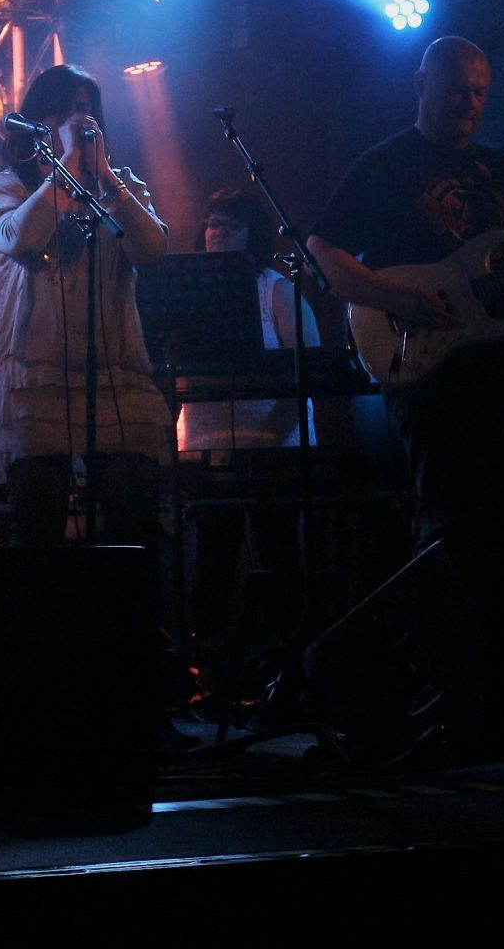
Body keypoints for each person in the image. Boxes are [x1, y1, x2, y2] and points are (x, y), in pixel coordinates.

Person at [306, 36, 504, 755]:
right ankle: (445, 702)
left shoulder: (502, 171)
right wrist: (397, 298)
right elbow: (324, 251)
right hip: (434, 376)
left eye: (479, 92)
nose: (468, 103)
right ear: (421, 84)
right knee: (452, 531)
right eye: (455, 89)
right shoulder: (385, 164)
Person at [0, 64, 172, 549]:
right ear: (36, 120)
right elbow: (18, 238)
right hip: (35, 383)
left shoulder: (120, 187)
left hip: (115, 382)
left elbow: (151, 250)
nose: (74, 119)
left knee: (133, 533)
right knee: (39, 537)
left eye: (83, 109)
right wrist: (65, 170)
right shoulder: (5, 186)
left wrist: (102, 175)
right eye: (61, 109)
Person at [176, 189, 322, 691]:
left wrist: (278, 427)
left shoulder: (276, 289)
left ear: (251, 234)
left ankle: (289, 671)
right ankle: (209, 672)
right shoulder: (188, 296)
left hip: (273, 446)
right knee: (213, 556)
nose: (215, 232)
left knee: (279, 553)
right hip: (205, 444)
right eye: (211, 223)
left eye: (229, 225)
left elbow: (311, 367)